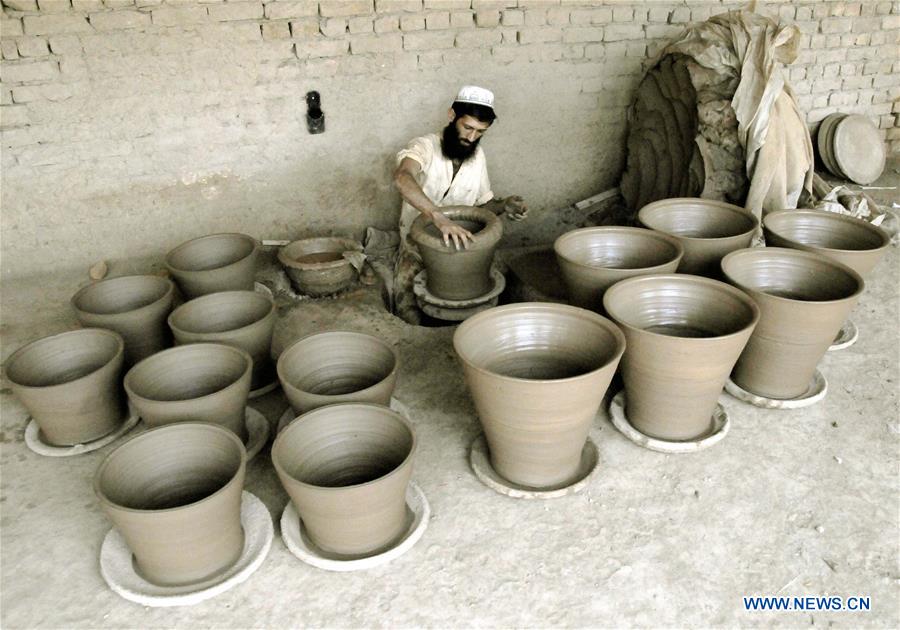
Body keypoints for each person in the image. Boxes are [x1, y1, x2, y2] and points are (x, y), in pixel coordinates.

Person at [392, 85, 528, 324]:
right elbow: (402, 178)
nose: (471, 137)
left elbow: (482, 208)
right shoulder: (425, 146)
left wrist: (504, 206)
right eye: (468, 127)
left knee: (484, 307)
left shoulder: (477, 156)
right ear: (451, 116)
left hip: (461, 251)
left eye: (480, 132)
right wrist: (439, 218)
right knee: (407, 312)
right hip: (418, 247)